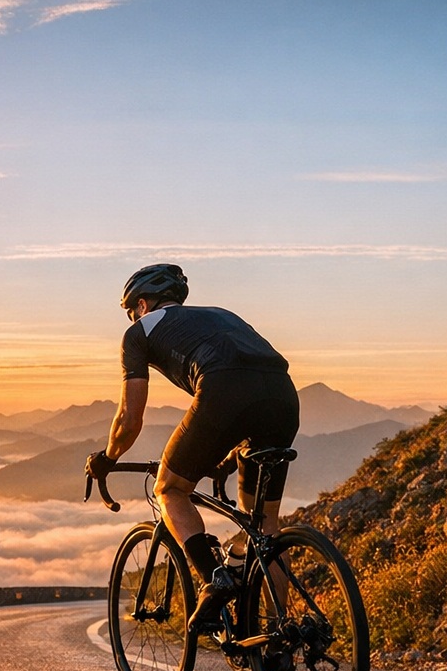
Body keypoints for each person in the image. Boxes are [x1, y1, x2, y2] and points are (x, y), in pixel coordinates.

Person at [85, 263, 300, 636]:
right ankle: (280, 639)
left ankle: (214, 578)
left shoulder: (138, 333)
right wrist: (227, 456)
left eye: (130, 311)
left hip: (224, 392)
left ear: (141, 303)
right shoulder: (221, 315)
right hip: (283, 396)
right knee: (264, 528)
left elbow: (129, 419)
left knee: (168, 488)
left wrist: (107, 457)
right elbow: (251, 383)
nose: (131, 317)